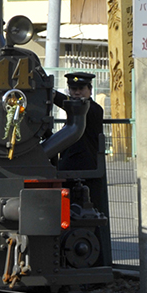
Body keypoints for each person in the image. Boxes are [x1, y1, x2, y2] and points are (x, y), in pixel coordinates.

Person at [54, 71, 108, 216]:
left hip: (88, 171)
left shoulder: (94, 109)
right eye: (73, 89)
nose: (77, 93)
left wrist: (50, 93)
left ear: (90, 90)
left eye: (81, 89)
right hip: (69, 168)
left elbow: (73, 105)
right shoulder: (74, 110)